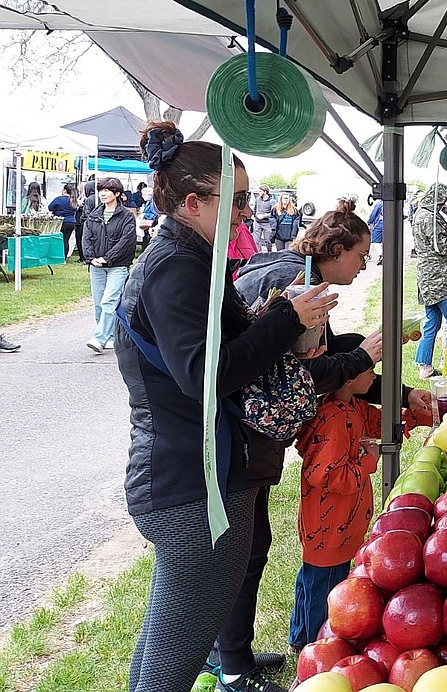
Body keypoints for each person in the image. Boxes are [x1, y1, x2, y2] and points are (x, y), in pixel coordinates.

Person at [114, 121, 338, 692]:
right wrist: (287, 320)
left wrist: (274, 319)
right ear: (192, 203)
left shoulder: (193, 260)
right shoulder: (176, 268)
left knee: (174, 633)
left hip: (195, 473)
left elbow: (220, 349)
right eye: (236, 201)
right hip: (189, 482)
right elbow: (205, 374)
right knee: (178, 643)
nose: (245, 213)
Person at [222, 198, 428, 688]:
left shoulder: (300, 281)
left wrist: (386, 381)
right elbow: (302, 374)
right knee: (240, 554)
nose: (363, 265)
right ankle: (228, 663)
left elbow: (326, 363)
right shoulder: (295, 287)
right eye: (359, 256)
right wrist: (362, 355)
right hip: (244, 434)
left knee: (251, 549)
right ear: (334, 250)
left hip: (253, 434)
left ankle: (234, 657)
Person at [286, 335, 433, 651]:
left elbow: (379, 422)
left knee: (313, 582)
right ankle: (314, 644)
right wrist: (368, 461)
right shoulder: (333, 421)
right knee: (325, 588)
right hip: (328, 528)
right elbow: (327, 475)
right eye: (371, 371)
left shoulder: (352, 407)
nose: (375, 378)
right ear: (349, 377)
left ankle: (301, 636)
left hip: (341, 526)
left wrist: (415, 416)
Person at [412, 182, 447, 379]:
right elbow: (442, 247)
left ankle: (424, 364)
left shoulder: (420, 214)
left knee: (432, 320)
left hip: (426, 276)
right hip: (439, 277)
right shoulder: (431, 218)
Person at [82, 178, 138, 354]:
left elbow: (126, 241)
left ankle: (99, 338)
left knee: (109, 301)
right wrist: (91, 258)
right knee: (99, 303)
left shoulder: (127, 216)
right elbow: (86, 238)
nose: (103, 194)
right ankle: (110, 336)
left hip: (118, 266)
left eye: (107, 190)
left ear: (118, 194)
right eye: (101, 190)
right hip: (96, 266)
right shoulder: (94, 215)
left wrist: (107, 258)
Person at [48, 182, 80, 259]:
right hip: (71, 222)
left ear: (64, 191)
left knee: (59, 239)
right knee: (66, 239)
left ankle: (58, 256)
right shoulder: (74, 200)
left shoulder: (59, 199)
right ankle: (64, 257)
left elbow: (50, 207)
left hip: (60, 222)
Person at [252, 185, 275, 252]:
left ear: (265, 192)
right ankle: (259, 254)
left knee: (268, 241)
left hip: (267, 223)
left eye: (260, 191)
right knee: (256, 240)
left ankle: (269, 253)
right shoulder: (257, 199)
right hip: (257, 223)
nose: (259, 192)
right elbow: (255, 209)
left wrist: (264, 216)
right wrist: (256, 215)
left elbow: (273, 213)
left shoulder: (272, 201)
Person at [367, 198, 384, 266]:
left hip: (379, 225)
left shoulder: (379, 204)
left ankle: (381, 255)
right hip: (390, 225)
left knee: (375, 240)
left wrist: (370, 222)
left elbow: (374, 214)